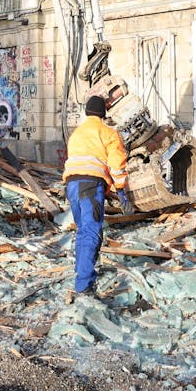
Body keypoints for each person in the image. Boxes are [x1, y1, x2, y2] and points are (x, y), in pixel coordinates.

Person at [63, 95, 128, 300]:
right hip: (91, 185)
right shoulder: (108, 133)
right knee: (92, 232)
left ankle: (82, 273)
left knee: (83, 231)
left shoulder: (77, 134)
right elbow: (117, 164)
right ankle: (83, 285)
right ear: (104, 113)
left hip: (72, 184)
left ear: (86, 112)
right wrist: (121, 189)